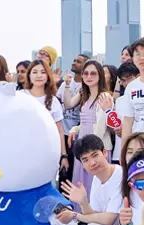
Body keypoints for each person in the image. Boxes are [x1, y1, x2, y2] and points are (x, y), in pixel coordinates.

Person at [64, 60, 110, 194]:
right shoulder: (85, 95)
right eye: (86, 73)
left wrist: (91, 151)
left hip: (95, 148)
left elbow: (101, 128)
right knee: (82, 185)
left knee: (95, 187)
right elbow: (69, 105)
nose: (89, 77)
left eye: (93, 73)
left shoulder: (104, 97)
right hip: (83, 145)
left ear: (100, 75)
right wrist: (75, 129)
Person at [23, 60, 68, 176]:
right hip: (24, 151)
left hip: (47, 152)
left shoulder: (53, 101)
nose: (39, 75)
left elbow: (59, 130)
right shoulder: (21, 96)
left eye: (43, 72)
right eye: (35, 72)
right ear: (29, 76)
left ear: (48, 76)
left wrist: (63, 155)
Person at [56, 54, 88, 148]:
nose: (74, 63)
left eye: (78, 62)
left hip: (78, 133)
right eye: (74, 60)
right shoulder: (64, 84)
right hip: (63, 132)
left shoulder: (86, 86)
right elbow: (57, 103)